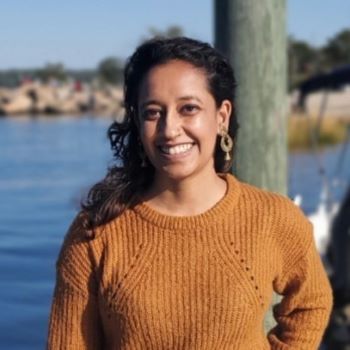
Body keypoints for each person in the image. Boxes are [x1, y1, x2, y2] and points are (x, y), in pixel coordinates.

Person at [47, 37, 332, 349]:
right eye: (153, 112)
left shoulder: (272, 218)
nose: (170, 129)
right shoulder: (95, 232)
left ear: (221, 116)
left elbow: (312, 303)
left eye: (189, 108)